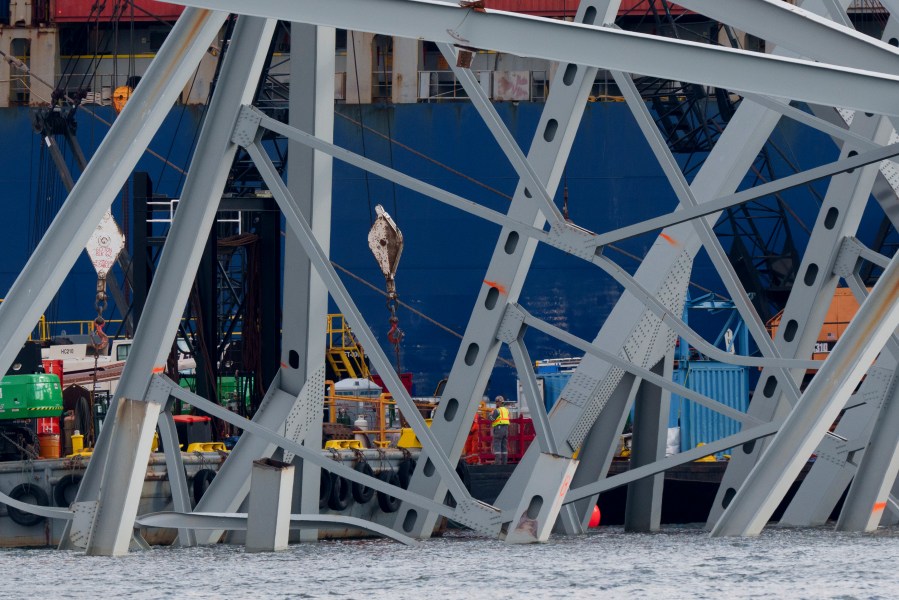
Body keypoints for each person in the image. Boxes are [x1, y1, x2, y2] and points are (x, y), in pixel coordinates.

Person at [491, 396, 510, 465]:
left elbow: (492, 419)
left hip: (499, 429)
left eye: (496, 402)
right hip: (506, 429)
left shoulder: (497, 410)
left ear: (498, 402)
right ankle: (504, 462)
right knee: (504, 446)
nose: (496, 403)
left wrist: (490, 415)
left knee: (497, 445)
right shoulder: (506, 410)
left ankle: (497, 462)